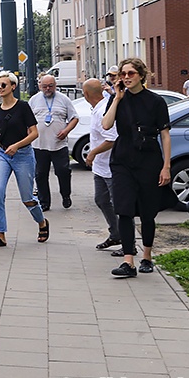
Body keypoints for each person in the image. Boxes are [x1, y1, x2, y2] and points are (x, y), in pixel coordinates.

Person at [102, 58, 173, 278]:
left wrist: (166, 166)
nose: (126, 77)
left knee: (147, 211)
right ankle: (128, 261)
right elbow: (106, 125)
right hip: (123, 158)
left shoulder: (155, 101)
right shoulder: (118, 99)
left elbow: (165, 134)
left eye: (131, 73)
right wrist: (116, 98)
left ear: (141, 75)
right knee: (123, 209)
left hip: (149, 159)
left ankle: (147, 256)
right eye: (123, 74)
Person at [0, 71, 49, 248]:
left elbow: (34, 133)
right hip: (4, 156)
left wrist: (17, 145)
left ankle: (42, 222)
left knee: (27, 198)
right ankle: (1, 235)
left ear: (13, 87)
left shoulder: (23, 107)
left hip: (23, 156)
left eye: (3, 85)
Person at [29, 74, 78, 211]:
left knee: (63, 171)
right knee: (40, 174)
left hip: (58, 145)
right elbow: (27, 120)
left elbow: (74, 118)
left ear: (55, 86)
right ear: (40, 86)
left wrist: (66, 131)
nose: (48, 89)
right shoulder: (34, 100)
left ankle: (66, 195)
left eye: (51, 86)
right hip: (39, 145)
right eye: (45, 86)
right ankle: (44, 202)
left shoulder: (63, 99)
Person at [82, 79, 121, 252]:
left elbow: (112, 139)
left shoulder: (103, 111)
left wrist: (92, 153)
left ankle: (129, 243)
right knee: (101, 200)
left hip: (111, 167)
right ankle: (115, 235)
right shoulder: (98, 108)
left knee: (118, 204)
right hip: (101, 168)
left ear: (86, 94)